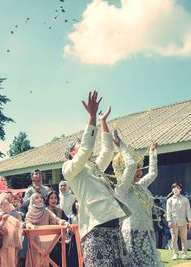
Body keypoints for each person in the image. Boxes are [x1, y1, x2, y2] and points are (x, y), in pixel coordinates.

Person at [61, 91, 131, 266]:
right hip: (96, 229)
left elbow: (107, 151)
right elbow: (87, 147)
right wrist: (91, 116)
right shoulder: (69, 169)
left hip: (113, 226)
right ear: (71, 153)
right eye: (78, 143)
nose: (82, 144)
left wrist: (102, 122)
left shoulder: (92, 167)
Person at [113, 137, 160, 267]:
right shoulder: (122, 188)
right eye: (136, 169)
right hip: (133, 234)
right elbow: (131, 165)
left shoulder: (141, 186)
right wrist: (121, 145)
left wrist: (152, 152)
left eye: (140, 169)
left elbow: (153, 173)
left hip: (148, 232)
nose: (139, 172)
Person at [25, 193, 69, 267]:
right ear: (32, 201)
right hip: (34, 241)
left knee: (45, 261)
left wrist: (62, 222)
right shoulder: (30, 212)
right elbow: (27, 222)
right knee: (35, 261)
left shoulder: (46, 211)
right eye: (37, 198)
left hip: (45, 242)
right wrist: (31, 226)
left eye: (41, 197)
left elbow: (55, 219)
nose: (40, 199)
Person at [166, 183, 191, 260]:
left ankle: (184, 253)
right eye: (174, 188)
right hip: (173, 222)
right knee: (174, 238)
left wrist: (190, 221)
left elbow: (188, 211)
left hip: (183, 222)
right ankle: (175, 253)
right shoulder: (169, 200)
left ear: (180, 189)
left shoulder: (185, 199)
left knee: (184, 238)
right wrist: (169, 221)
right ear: (172, 189)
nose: (175, 189)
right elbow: (168, 211)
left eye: (177, 188)